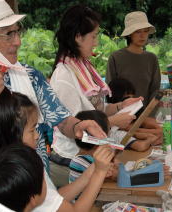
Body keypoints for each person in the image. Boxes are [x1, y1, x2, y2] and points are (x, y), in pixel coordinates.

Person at [0, 0, 106, 189]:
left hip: (33, 193)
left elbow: (61, 119)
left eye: (17, 31)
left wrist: (79, 125)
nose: (18, 41)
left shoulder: (29, 76)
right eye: (8, 34)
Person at [0, 88, 114, 212]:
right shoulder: (25, 174)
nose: (37, 136)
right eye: (32, 129)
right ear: (11, 135)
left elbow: (54, 199)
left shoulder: (0, 169)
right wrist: (99, 173)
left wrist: (93, 171)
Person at [49, 5, 141, 187]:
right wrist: (114, 121)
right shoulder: (64, 76)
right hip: (73, 160)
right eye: (94, 36)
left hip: (91, 155)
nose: (96, 42)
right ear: (77, 37)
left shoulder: (84, 68)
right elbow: (76, 127)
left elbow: (96, 110)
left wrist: (120, 106)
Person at [106, 11, 160, 107]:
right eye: (138, 31)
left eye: (146, 31)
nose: (142, 35)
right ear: (129, 34)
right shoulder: (116, 57)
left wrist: (148, 112)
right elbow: (109, 91)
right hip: (121, 114)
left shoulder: (152, 59)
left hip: (145, 115)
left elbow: (155, 89)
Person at [106, 78, 162, 145]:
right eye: (127, 98)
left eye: (132, 96)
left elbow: (158, 129)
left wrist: (136, 130)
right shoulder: (116, 120)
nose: (131, 101)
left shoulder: (136, 110)